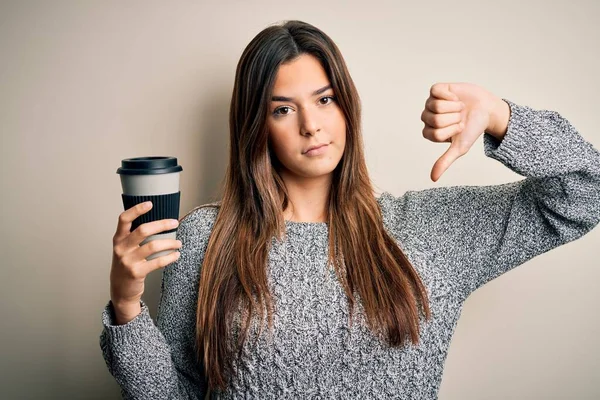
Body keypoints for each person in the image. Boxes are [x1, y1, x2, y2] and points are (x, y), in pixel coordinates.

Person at [100, 20, 600, 400]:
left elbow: (587, 191)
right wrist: (126, 307)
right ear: (256, 127)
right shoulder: (208, 237)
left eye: (325, 99)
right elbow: (173, 394)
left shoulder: (432, 231)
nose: (311, 126)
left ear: (348, 106)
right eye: (282, 109)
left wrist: (500, 118)